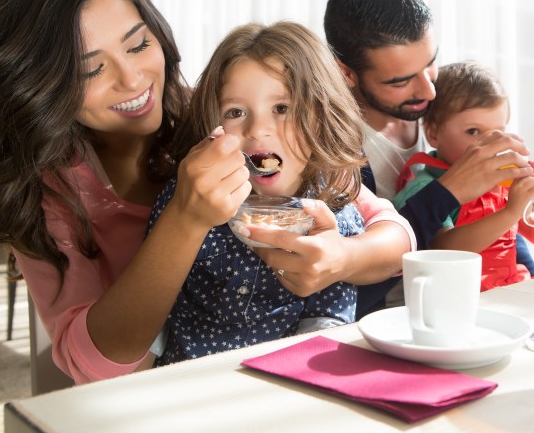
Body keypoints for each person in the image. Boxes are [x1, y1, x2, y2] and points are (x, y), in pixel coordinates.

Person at [0, 0, 410, 384]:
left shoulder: (219, 118)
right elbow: (99, 367)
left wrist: (342, 258)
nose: (132, 80)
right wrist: (185, 217)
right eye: (90, 70)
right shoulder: (48, 192)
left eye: (138, 45)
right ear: (38, 87)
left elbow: (395, 235)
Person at [149, 22, 414, 364]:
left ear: (321, 114)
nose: (257, 130)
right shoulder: (185, 197)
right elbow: (152, 318)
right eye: (235, 112)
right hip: (182, 383)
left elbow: (324, 329)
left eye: (282, 108)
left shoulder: (333, 213)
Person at [323, 0, 534, 314]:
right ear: (346, 72)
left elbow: (498, 215)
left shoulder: (448, 111)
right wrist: (447, 192)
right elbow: (345, 290)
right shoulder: (328, 150)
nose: (429, 91)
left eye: (430, 63)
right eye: (402, 81)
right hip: (391, 322)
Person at [394, 62, 534, 290]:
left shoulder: (502, 180)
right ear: (433, 133)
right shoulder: (428, 186)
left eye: (498, 132)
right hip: (461, 298)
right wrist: (511, 212)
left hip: (510, 288)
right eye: (473, 131)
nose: (489, 144)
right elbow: (444, 250)